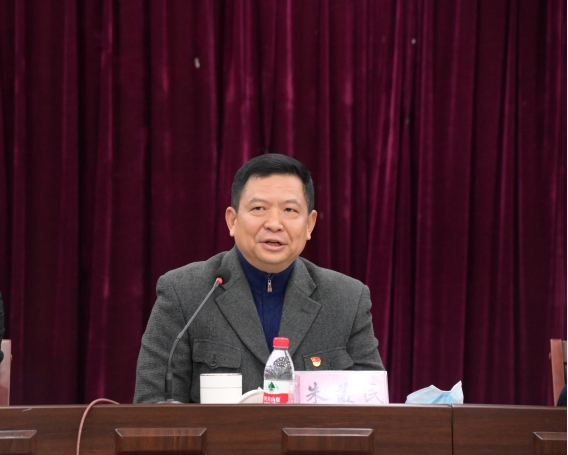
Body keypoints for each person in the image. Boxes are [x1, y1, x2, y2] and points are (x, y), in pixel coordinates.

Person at [134, 153, 384, 403]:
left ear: (309, 224)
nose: (274, 224)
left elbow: (374, 408)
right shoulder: (184, 292)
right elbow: (152, 406)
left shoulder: (347, 299)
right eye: (259, 208)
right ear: (232, 220)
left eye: (289, 210)